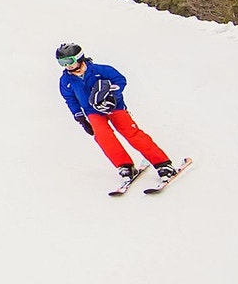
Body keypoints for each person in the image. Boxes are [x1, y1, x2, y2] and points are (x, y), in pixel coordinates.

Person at [55, 42, 179, 183]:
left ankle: (163, 164)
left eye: (69, 61)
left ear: (79, 57)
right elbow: (70, 99)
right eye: (62, 63)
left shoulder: (100, 70)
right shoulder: (66, 81)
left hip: (114, 107)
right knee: (103, 137)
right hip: (92, 111)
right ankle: (125, 166)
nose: (67, 66)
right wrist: (80, 117)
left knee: (131, 133)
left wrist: (113, 94)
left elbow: (120, 80)